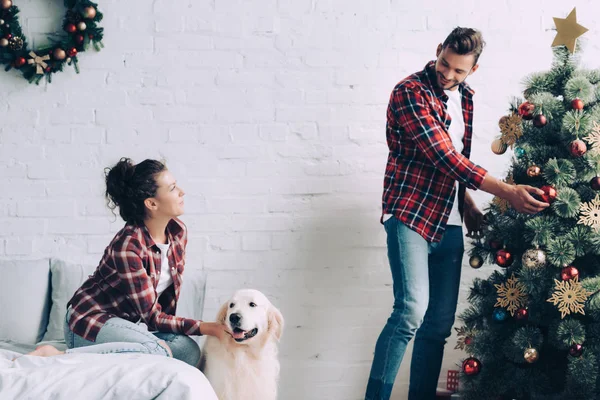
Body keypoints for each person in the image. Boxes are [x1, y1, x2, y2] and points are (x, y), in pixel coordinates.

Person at [365, 27, 549, 400]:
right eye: (444, 64)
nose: (447, 75)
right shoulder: (410, 92)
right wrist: (508, 191)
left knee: (438, 326)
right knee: (410, 313)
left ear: (473, 70)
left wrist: (465, 204)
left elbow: (454, 162)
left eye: (458, 71)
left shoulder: (464, 98)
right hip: (410, 214)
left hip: (447, 222)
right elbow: (442, 155)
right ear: (438, 51)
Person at [27, 158, 230, 367]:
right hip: (88, 324)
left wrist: (159, 339)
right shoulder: (128, 247)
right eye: (172, 188)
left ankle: (142, 351)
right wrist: (208, 327)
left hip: (125, 326)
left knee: (188, 351)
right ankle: (57, 354)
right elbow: (152, 317)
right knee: (157, 351)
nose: (182, 191)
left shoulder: (178, 232)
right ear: (151, 203)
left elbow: (162, 309)